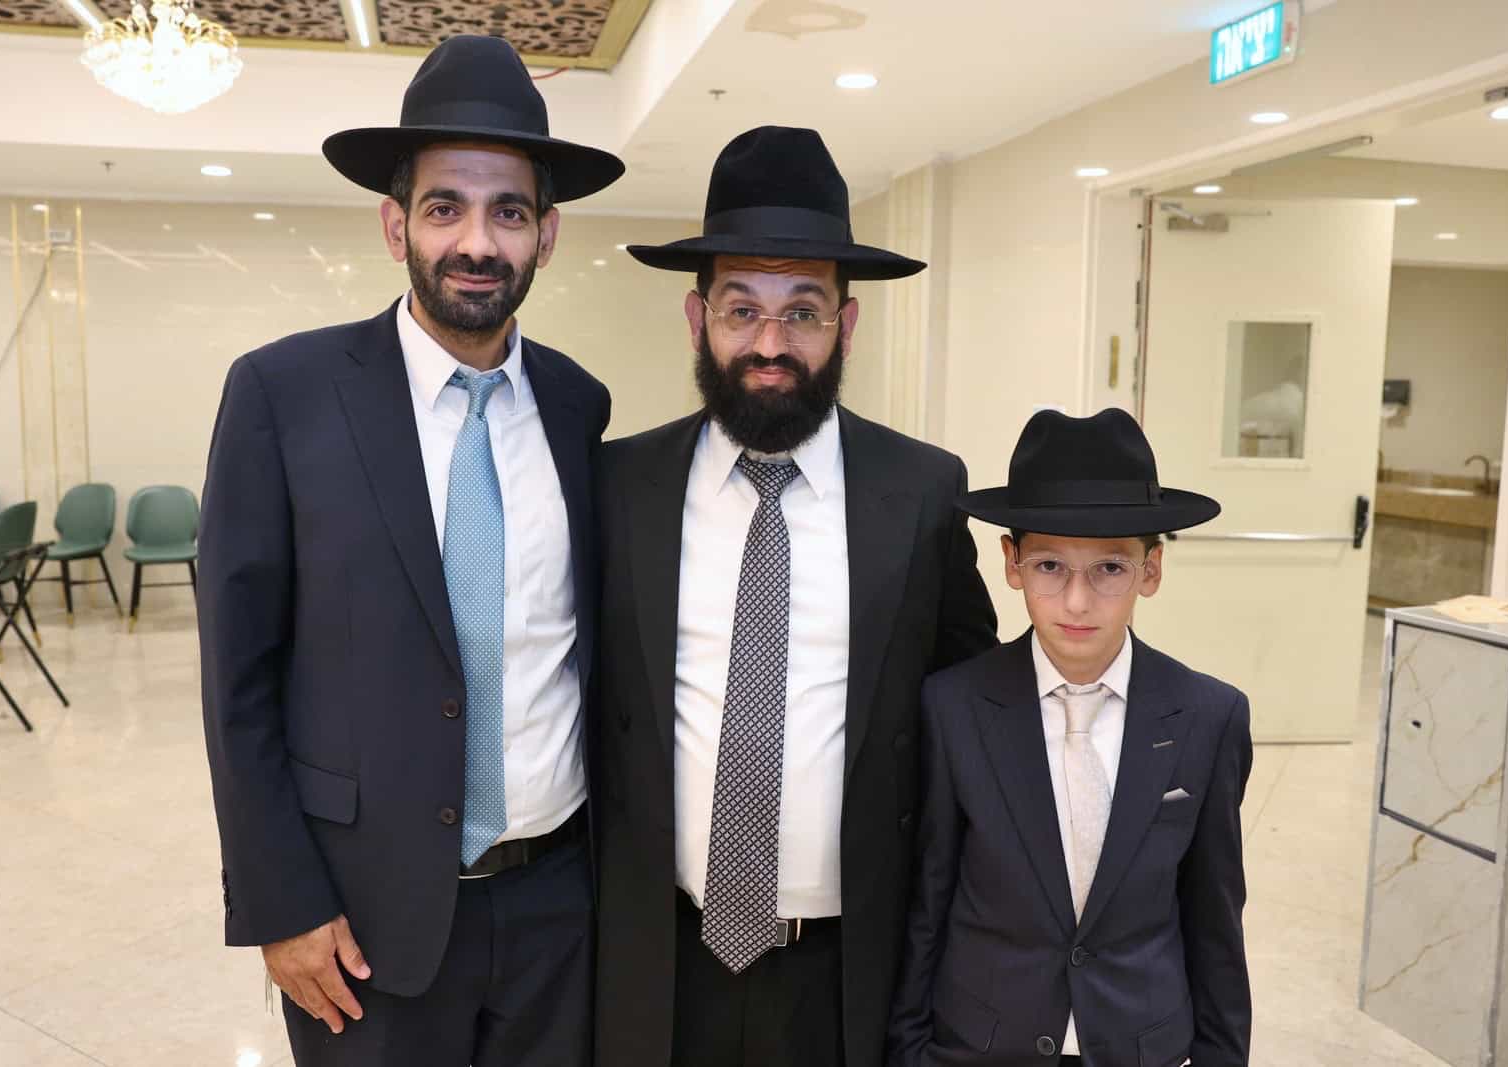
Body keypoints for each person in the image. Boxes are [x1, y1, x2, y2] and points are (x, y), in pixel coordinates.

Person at [196, 34, 623, 1067]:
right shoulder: (283, 395)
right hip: (359, 916)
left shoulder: (577, 404)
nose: (477, 241)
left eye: (508, 211)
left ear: (547, 234)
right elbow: (236, 679)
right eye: (445, 207)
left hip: (558, 907)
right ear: (397, 226)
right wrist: (281, 900)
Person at [592, 125, 998, 1067]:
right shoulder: (618, 486)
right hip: (657, 956)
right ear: (697, 318)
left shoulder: (923, 493)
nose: (769, 345)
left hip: (849, 967)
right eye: (742, 309)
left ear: (846, 326)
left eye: (802, 312)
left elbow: (969, 707)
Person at [887, 407, 1252, 1067]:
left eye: (1110, 568)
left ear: (1151, 569)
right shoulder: (953, 706)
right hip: (981, 1045)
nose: (1078, 602)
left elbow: (1215, 921)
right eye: (1050, 565)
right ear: (1012, 563)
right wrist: (910, 1050)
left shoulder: (1209, 715)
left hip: (1139, 1044)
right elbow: (928, 901)